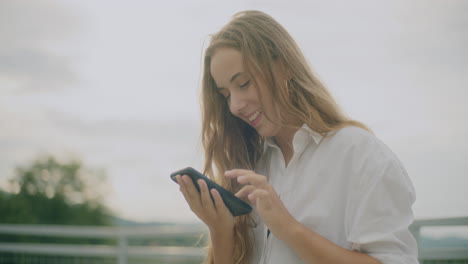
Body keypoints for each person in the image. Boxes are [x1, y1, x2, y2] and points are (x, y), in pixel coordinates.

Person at [175, 10, 418, 264]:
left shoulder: (359, 153)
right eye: (226, 95)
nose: (234, 106)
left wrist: (288, 228)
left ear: (285, 66)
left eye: (244, 83)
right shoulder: (252, 164)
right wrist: (221, 231)